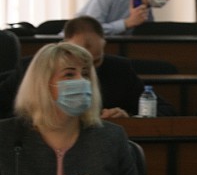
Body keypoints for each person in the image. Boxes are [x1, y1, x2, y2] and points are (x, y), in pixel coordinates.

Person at [0, 42, 149, 175]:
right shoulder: (5, 136)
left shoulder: (111, 137)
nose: (82, 81)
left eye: (85, 74)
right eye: (69, 74)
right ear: (43, 84)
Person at [0, 16, 177, 119]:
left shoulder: (119, 70)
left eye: (94, 62)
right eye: (72, 69)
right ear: (64, 45)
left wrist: (129, 117)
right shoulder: (33, 68)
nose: (85, 73)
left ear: (104, 45)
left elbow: (165, 109)